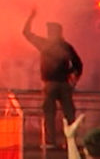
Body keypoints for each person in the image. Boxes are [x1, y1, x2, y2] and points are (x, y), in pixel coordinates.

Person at [23, 8, 83, 148]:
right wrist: (74, 77)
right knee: (69, 114)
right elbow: (78, 64)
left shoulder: (45, 44)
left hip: (50, 84)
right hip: (63, 84)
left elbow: (26, 33)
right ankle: (70, 141)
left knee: (50, 113)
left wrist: (31, 17)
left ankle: (51, 142)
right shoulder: (65, 46)